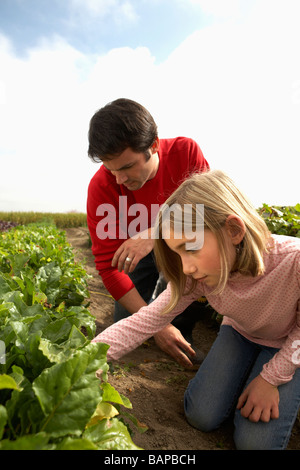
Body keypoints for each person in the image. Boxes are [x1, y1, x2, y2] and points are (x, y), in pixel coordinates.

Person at [92, 169, 300, 450]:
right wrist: (87, 360)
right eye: (177, 253)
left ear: (234, 231)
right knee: (201, 414)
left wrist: (270, 378)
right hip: (240, 333)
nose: (186, 267)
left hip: (289, 344)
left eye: (190, 248)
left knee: (255, 444)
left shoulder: (294, 261)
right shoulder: (196, 277)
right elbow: (144, 322)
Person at [87, 98, 210, 365]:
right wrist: (156, 326)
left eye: (127, 167)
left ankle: (183, 322)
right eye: (111, 169)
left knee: (200, 252)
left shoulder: (186, 153)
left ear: (153, 145)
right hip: (138, 258)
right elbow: (109, 268)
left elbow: (207, 219)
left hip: (181, 250)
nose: (119, 179)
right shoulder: (102, 186)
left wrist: (155, 233)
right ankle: (161, 320)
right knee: (127, 321)